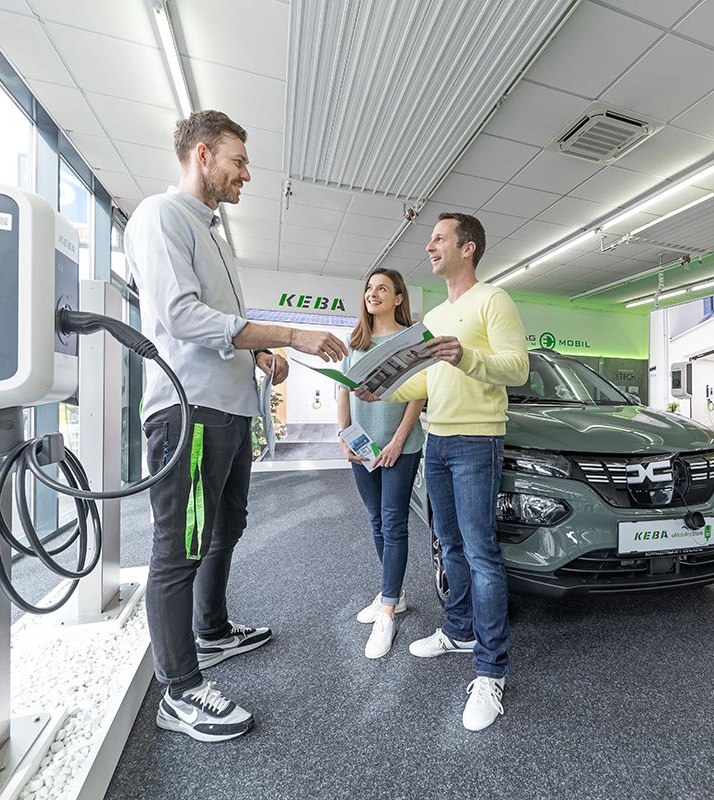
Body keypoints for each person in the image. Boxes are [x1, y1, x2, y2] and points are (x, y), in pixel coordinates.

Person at [126, 110, 347, 743]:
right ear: (202, 155)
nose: (246, 174)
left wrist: (260, 356)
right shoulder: (160, 217)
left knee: (228, 526)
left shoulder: (213, 236)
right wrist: (289, 333)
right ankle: (179, 689)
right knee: (181, 544)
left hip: (228, 411)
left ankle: (212, 631)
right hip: (188, 411)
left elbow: (220, 323)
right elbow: (179, 316)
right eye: (238, 162)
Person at [356, 212, 529, 731]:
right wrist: (381, 389)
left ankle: (490, 671)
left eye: (438, 239)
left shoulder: (493, 300)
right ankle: (458, 631)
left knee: (480, 552)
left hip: (478, 440)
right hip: (438, 440)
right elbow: (426, 383)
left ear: (467, 248)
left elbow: (516, 367)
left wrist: (468, 356)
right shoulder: (434, 316)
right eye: (430, 239)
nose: (429, 246)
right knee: (447, 544)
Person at [336, 268, 426, 659]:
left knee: (393, 521)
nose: (373, 294)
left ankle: (387, 608)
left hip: (400, 445)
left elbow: (417, 395)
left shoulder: (411, 341)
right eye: (369, 287)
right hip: (362, 446)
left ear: (398, 297)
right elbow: (341, 391)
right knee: (375, 519)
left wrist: (398, 440)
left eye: (382, 288)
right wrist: (344, 437)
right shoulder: (354, 342)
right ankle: (397, 593)